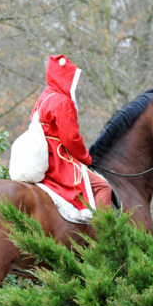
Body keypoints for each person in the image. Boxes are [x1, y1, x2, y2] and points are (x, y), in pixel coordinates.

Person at [30, 54, 112, 215]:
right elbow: (71, 139)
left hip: (43, 156)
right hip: (58, 161)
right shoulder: (62, 102)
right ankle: (103, 235)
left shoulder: (45, 97)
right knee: (103, 187)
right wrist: (86, 159)